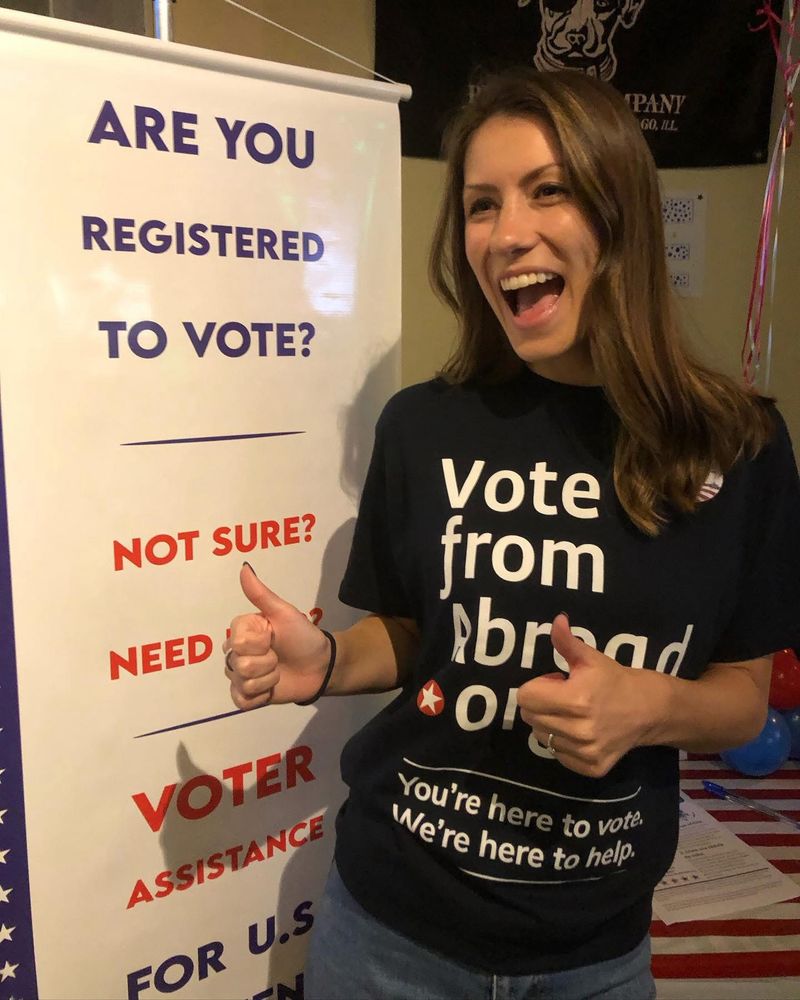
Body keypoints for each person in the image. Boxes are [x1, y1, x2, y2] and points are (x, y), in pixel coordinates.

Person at [223, 68, 800, 999]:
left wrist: (646, 708)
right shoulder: (422, 426)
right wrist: (325, 661)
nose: (506, 233)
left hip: (596, 958)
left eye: (549, 190)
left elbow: (743, 697)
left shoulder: (742, 444)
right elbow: (417, 638)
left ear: (621, 215)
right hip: (388, 940)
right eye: (480, 205)